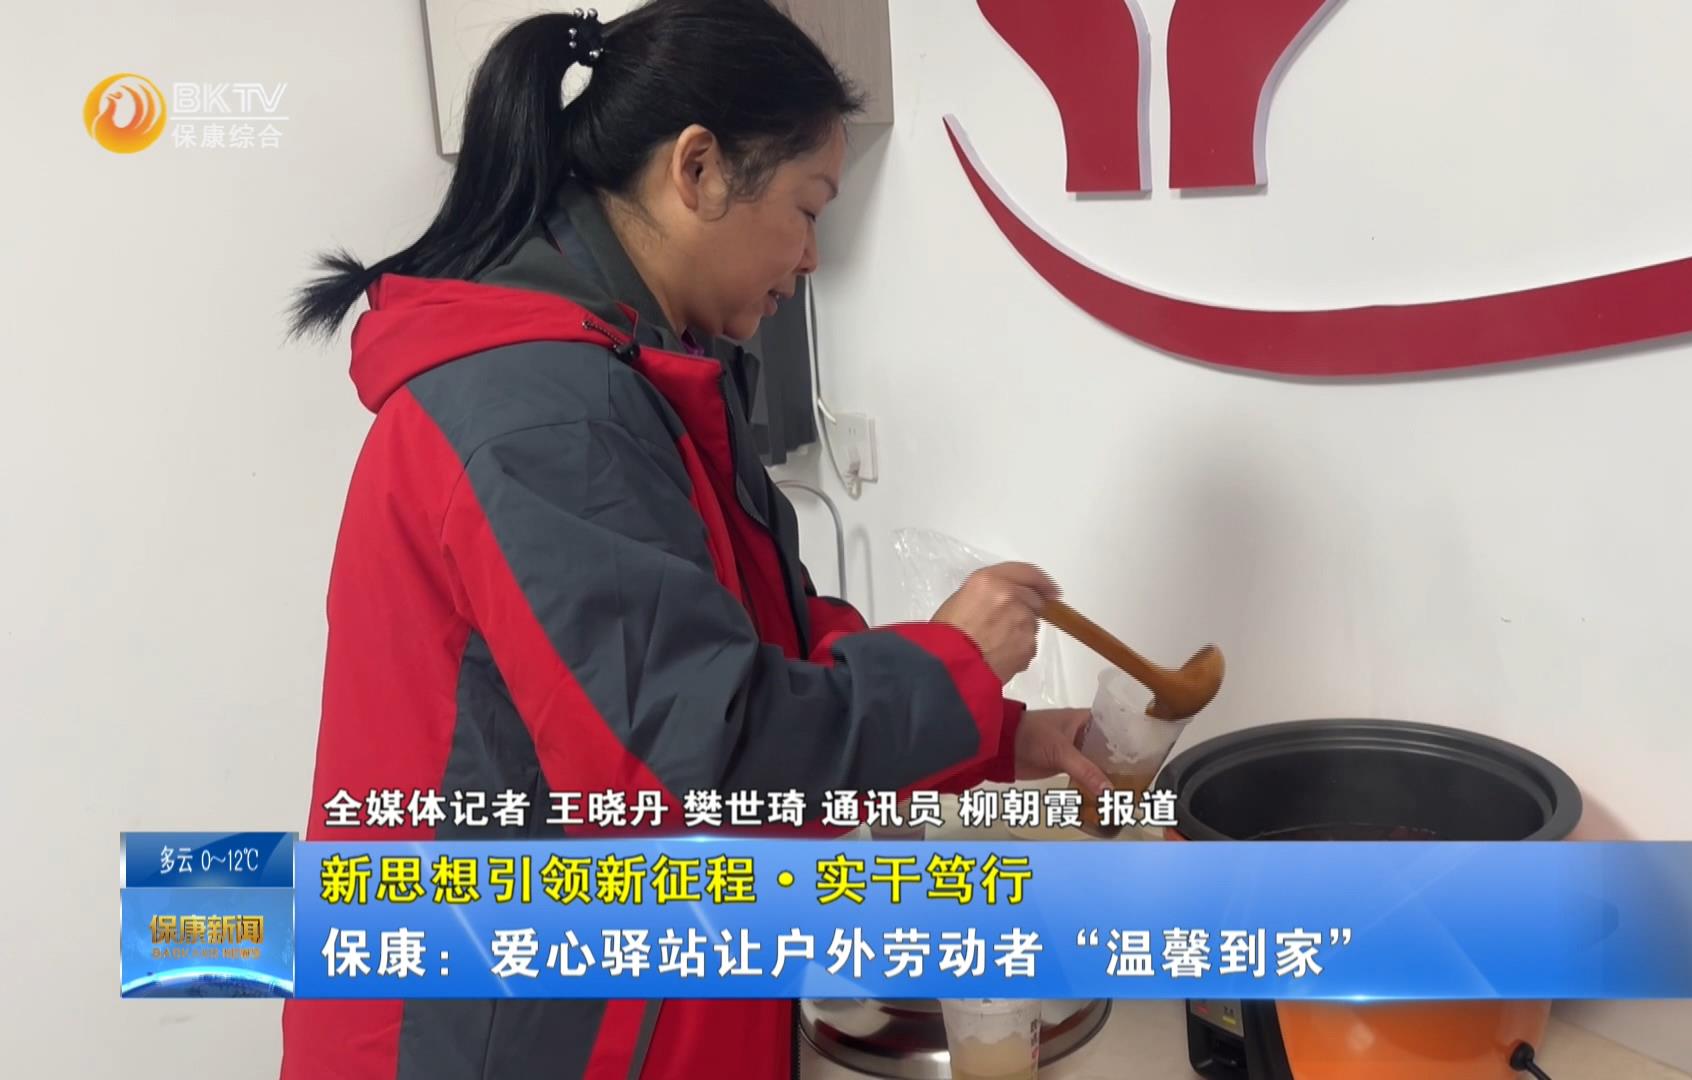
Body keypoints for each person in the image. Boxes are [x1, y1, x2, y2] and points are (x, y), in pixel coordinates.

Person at [280, 3, 1110, 1077]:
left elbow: (755, 648)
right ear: (700, 170)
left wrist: (997, 733)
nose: (810, 258)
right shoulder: (546, 416)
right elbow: (697, 767)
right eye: (807, 208)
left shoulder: (628, 374)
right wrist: (951, 665)